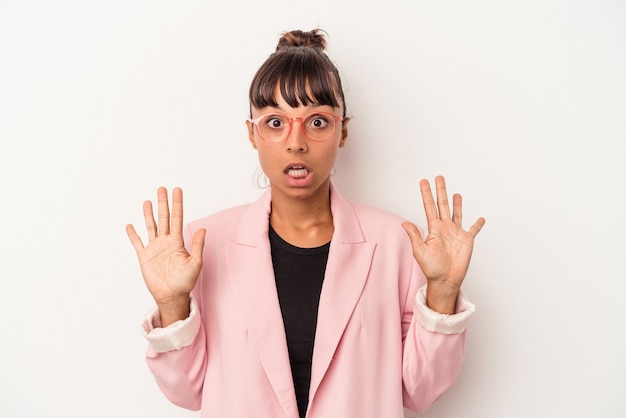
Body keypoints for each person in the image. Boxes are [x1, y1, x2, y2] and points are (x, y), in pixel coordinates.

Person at [126, 29, 485, 418]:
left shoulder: (397, 244)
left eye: (316, 122)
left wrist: (443, 292)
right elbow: (187, 392)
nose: (296, 142)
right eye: (276, 123)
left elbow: (420, 390)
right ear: (253, 134)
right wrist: (172, 304)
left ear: (342, 130)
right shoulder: (202, 245)